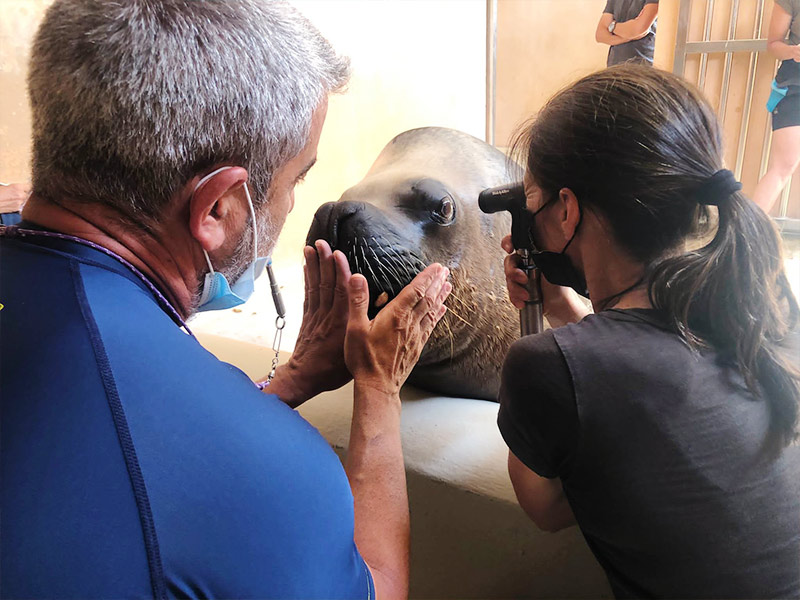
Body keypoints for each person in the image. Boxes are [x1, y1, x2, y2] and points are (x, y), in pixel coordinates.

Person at [0, 1, 451, 598]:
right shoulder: (277, 475)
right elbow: (379, 588)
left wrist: (290, 381)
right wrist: (379, 387)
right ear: (219, 207)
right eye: (297, 178)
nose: (292, 204)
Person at [499, 64, 800, 598]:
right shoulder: (765, 303)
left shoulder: (545, 366)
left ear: (566, 212)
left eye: (534, 204)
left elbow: (547, 508)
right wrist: (566, 314)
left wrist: (550, 339)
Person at [753, 0, 800, 214]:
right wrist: (793, 51)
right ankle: (746, 235)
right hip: (795, 84)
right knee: (784, 165)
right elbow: (773, 44)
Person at [595, 0, 659, 67]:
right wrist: (628, 36)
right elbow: (600, 35)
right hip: (614, 66)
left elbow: (637, 29)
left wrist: (612, 27)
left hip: (643, 65)